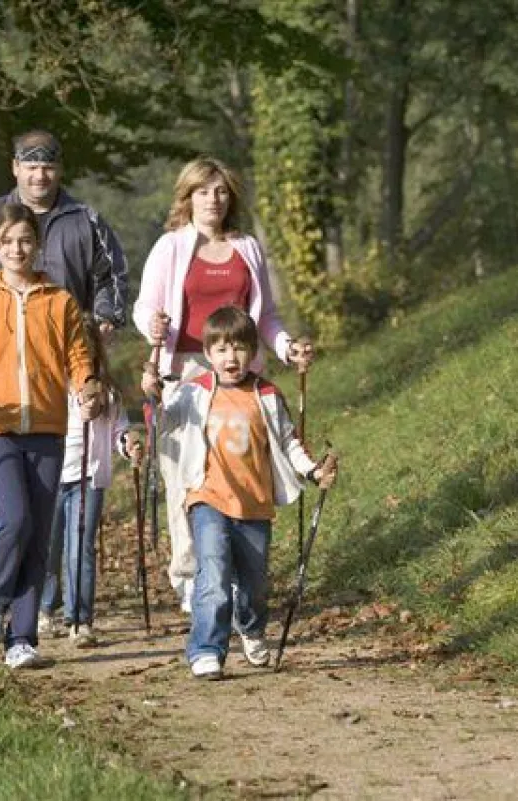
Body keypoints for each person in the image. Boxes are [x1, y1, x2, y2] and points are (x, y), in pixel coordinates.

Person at [135, 156, 316, 612]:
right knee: (186, 480)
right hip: (186, 373)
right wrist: (151, 327)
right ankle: (190, 578)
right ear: (188, 197)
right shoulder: (171, 247)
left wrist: (286, 346)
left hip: (238, 372)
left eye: (219, 191)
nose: (212, 200)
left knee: (240, 476)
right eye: (202, 191)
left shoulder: (248, 248)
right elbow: (145, 307)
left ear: (230, 197)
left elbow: (266, 316)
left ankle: (232, 574)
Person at [0, 202, 103, 670]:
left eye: (26, 240)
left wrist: (87, 387)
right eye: (8, 241)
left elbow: (79, 357)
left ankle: (22, 639)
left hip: (49, 426)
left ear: (38, 245)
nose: (18, 249)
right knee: (13, 520)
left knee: (38, 535)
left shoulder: (58, 300)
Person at [155, 305, 337, 680]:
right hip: (207, 497)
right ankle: (206, 648)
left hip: (254, 503)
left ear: (253, 352)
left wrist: (313, 470)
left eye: (239, 348)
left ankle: (250, 629)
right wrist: (153, 392)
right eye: (221, 349)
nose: (230, 357)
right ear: (208, 354)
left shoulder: (266, 394)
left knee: (254, 586)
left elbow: (289, 443)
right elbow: (166, 418)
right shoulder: (194, 392)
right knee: (214, 572)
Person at [0, 129, 128, 336]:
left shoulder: (88, 221)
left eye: (48, 168)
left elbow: (111, 276)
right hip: (1, 343)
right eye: (32, 167)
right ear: (16, 167)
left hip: (71, 341)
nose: (39, 176)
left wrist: (105, 317)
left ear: (60, 169)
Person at [39, 324, 143, 647]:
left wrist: (130, 444)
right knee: (49, 545)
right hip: (52, 475)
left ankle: (80, 619)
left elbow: (119, 431)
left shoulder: (108, 394)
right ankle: (45, 608)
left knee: (80, 546)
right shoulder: (49, 385)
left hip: (89, 477)